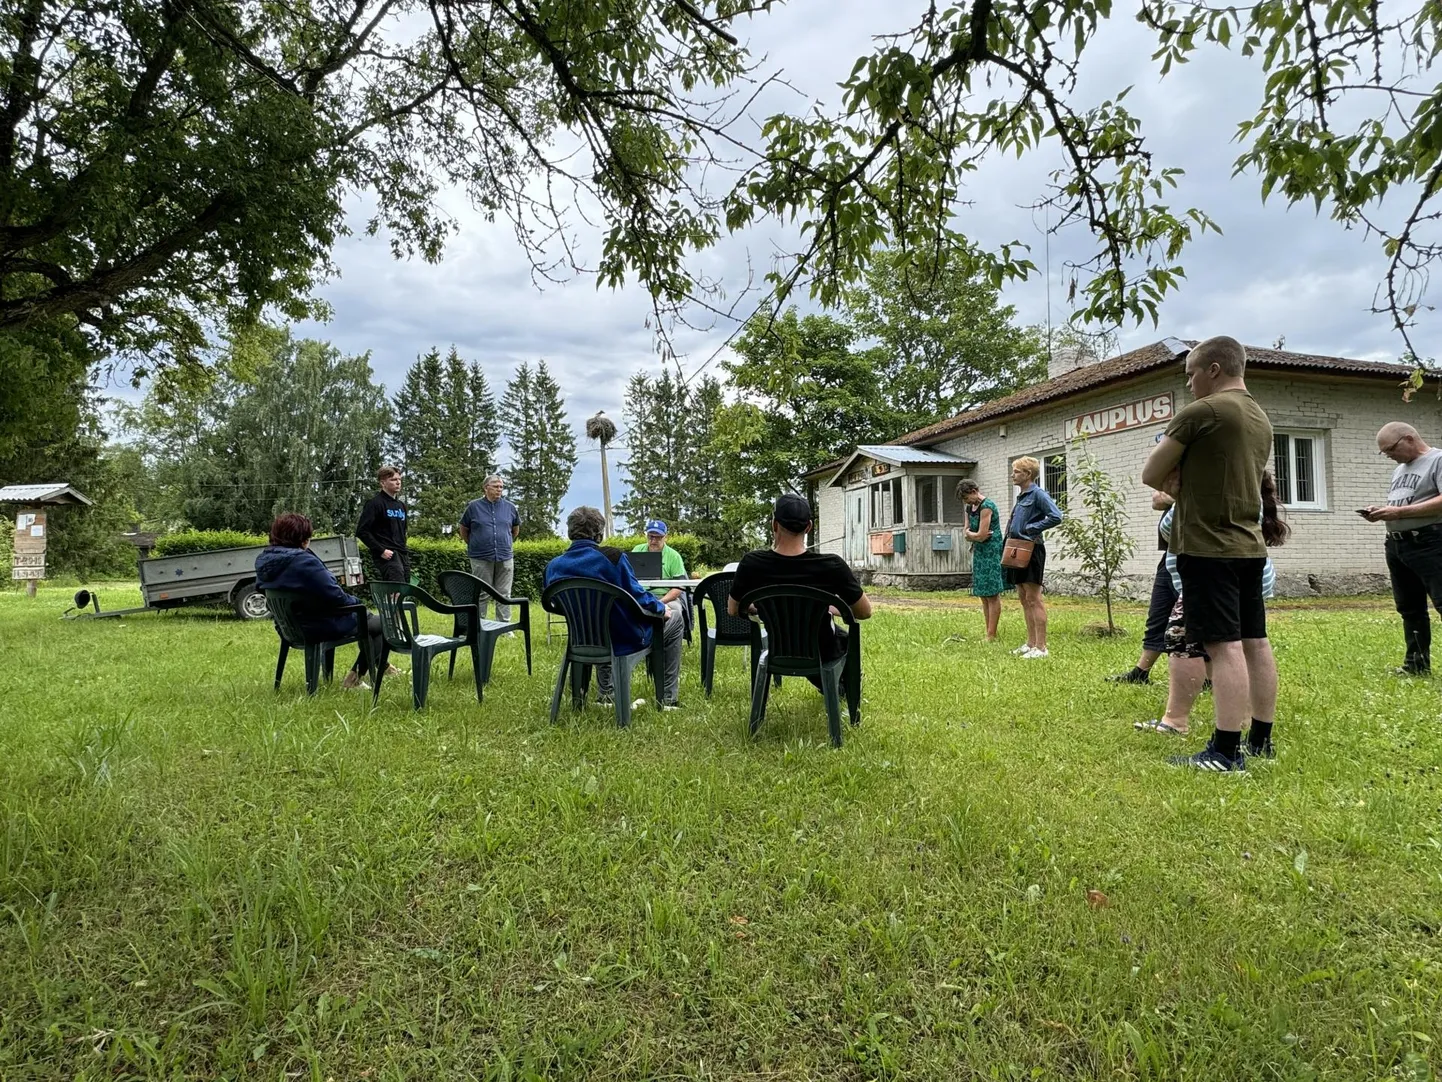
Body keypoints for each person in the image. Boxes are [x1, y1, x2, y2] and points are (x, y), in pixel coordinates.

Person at [1141, 334, 1276, 772]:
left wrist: (1176, 482)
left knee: (1222, 646)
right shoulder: (1259, 415)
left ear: (1213, 369)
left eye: (1191, 375)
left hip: (1206, 546)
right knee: (1255, 641)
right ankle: (1260, 739)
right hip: (1248, 546)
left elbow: (1151, 473)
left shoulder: (1204, 411)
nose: (1189, 384)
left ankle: (1224, 751)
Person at [1135, 471, 1288, 746]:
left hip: (1212, 575)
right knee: (1246, 645)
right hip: (1249, 572)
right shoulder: (1245, 491)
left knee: (1185, 642)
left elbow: (1170, 528)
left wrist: (1175, 496)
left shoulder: (1207, 487)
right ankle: (1246, 721)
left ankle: (1176, 721)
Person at [728, 493, 872, 689]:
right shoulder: (831, 565)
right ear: (809, 527)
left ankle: (835, 688)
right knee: (841, 640)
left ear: (774, 525)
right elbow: (864, 612)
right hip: (821, 650)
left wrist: (764, 607)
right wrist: (825, 606)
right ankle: (839, 690)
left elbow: (733, 609)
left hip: (779, 648)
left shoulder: (752, 564)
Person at [544, 505, 683, 708]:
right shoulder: (613, 558)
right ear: (599, 534)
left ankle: (606, 694)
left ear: (569, 532)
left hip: (580, 638)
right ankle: (668, 699)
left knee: (602, 620)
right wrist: (662, 609)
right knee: (676, 618)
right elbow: (637, 595)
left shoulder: (554, 565)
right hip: (622, 638)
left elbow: (551, 602)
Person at [255, 512, 389, 689]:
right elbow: (335, 595)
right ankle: (354, 679)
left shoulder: (264, 560)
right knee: (383, 624)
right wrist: (358, 603)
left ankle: (383, 667)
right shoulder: (302, 561)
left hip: (288, 627)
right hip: (317, 626)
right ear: (302, 538)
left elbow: (262, 589)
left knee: (369, 622)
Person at [1363, 421, 1442, 676]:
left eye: (1390, 450)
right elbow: (1403, 503)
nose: (1389, 456)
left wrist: (1398, 512)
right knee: (1409, 608)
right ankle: (1416, 665)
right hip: (1398, 544)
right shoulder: (1399, 470)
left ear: (1409, 439)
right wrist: (1382, 512)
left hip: (1430, 542)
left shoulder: (1437, 460)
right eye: (1384, 453)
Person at [1108, 490, 1177, 683]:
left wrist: (1177, 496)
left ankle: (1209, 677)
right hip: (1171, 555)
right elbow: (1157, 499)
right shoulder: (1178, 469)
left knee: (1194, 619)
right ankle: (1140, 672)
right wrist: (1180, 496)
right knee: (1158, 614)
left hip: (1197, 555)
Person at [1004, 456, 1063, 659]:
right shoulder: (1022, 496)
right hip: (1016, 549)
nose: (1013, 475)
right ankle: (1030, 643)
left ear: (1028, 474)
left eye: (1017, 471)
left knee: (1034, 598)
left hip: (1032, 549)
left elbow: (1056, 516)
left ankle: (1041, 647)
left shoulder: (1038, 494)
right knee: (1023, 596)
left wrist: (1031, 528)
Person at [459, 474, 521, 622]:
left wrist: (505, 542)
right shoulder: (473, 507)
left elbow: (515, 529)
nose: (499, 489)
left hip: (505, 555)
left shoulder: (510, 507)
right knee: (482, 593)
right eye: (496, 486)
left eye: (501, 487)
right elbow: (463, 529)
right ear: (486, 488)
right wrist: (475, 543)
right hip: (480, 556)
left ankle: (504, 624)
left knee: (504, 592)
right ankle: (480, 623)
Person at [957, 479, 1004, 641]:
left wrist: (973, 535)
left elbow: (982, 535)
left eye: (966, 497)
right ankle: (988, 632)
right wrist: (972, 535)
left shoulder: (987, 507)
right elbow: (966, 532)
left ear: (974, 491)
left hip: (991, 552)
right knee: (983, 594)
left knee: (992, 593)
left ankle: (992, 634)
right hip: (979, 552)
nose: (966, 501)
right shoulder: (969, 508)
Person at [356, 465, 410, 583]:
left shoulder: (401, 506)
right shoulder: (374, 504)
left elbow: (403, 531)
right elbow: (362, 531)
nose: (398, 483)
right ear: (383, 483)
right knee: (396, 588)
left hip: (402, 554)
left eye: (399, 479)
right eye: (393, 480)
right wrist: (381, 550)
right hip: (388, 556)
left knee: (406, 588)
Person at [631, 519, 688, 617]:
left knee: (676, 612)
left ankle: (668, 632)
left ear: (666, 537)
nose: (653, 541)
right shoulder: (637, 550)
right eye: (650, 537)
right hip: (640, 596)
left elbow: (679, 587)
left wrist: (659, 602)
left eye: (658, 537)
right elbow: (628, 576)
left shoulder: (674, 556)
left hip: (665, 598)